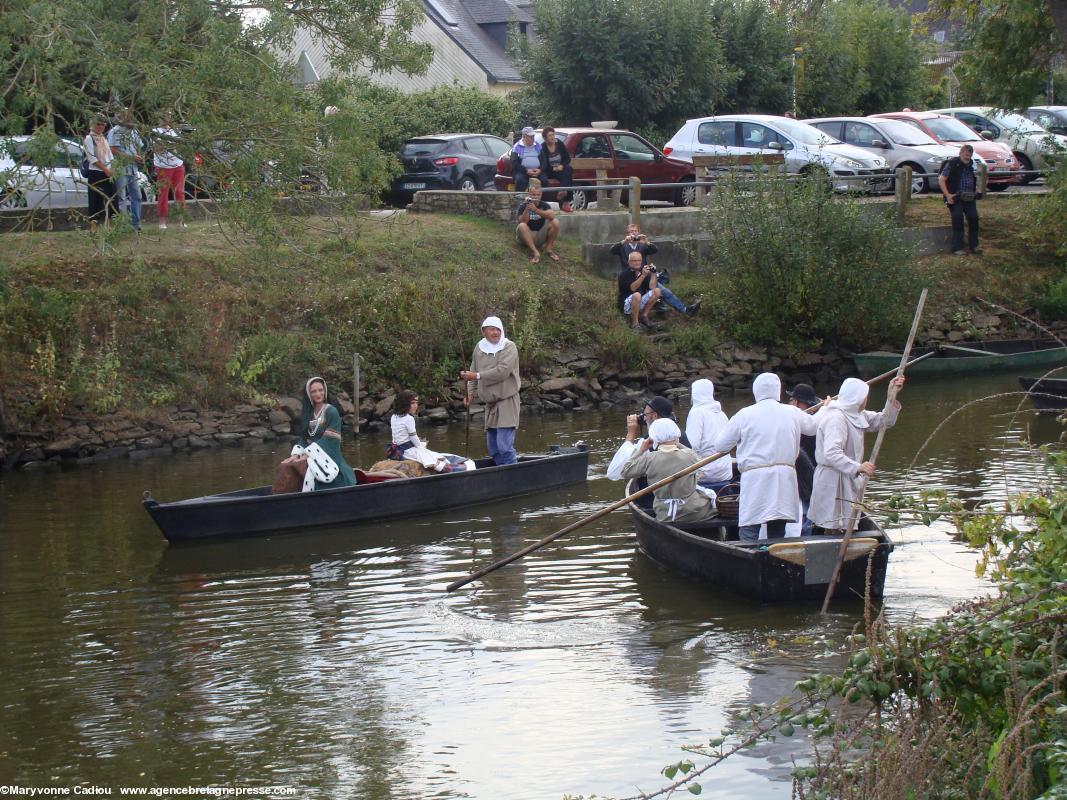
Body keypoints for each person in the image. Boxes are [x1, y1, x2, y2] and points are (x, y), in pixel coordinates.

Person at [713, 373, 818, 542]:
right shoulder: (792, 412)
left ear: (756, 391)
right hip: (784, 479)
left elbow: (721, 445)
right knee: (777, 526)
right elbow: (813, 427)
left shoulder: (744, 414)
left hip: (756, 479)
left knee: (750, 527)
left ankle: (750, 557)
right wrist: (826, 407)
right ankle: (774, 556)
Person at [809, 376, 905, 533]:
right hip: (833, 479)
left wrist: (891, 397)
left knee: (845, 523)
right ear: (857, 398)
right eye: (865, 397)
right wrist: (858, 467)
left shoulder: (857, 414)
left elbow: (885, 421)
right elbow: (832, 453)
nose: (866, 400)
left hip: (848, 476)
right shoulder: (836, 417)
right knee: (832, 523)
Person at [617, 418, 716, 524]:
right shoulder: (689, 455)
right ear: (676, 435)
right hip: (694, 512)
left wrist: (641, 450)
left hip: (665, 515)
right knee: (713, 502)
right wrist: (678, 444)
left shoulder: (649, 458)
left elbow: (625, 471)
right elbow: (702, 466)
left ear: (654, 438)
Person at [460, 316, 521, 466]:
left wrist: (477, 375)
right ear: (484, 332)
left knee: (504, 447)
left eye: (497, 329)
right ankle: (502, 474)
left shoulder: (509, 346)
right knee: (493, 449)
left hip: (507, 400)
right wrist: (470, 394)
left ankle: (513, 474)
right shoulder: (479, 348)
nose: (495, 332)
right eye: (491, 329)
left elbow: (502, 371)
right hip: (490, 404)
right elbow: (472, 372)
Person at [278, 377, 357, 491]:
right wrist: (295, 455)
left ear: (325, 391)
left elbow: (330, 440)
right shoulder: (308, 413)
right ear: (309, 394)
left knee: (308, 472)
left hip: (327, 457)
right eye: (314, 391)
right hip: (311, 455)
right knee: (286, 466)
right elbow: (305, 439)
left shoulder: (331, 412)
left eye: (320, 390)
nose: (318, 394)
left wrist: (307, 455)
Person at [606, 395, 691, 479]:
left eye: (645, 415)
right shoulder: (681, 433)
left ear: (654, 416)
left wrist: (630, 434)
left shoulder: (649, 440)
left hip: (657, 491)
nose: (644, 419)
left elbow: (613, 472)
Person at [388, 390, 473, 472]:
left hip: (397, 451)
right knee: (435, 460)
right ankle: (460, 468)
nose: (416, 406)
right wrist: (422, 447)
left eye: (416, 402)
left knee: (428, 451)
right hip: (408, 452)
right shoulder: (409, 418)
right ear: (404, 404)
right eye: (412, 403)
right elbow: (414, 439)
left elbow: (398, 438)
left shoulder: (394, 416)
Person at [617, 250, 700, 330]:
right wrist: (643, 276)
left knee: (657, 290)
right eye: (634, 261)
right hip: (626, 305)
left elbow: (652, 287)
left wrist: (653, 274)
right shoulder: (624, 274)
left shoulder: (642, 271)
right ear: (629, 262)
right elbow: (633, 288)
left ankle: (644, 316)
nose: (637, 262)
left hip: (639, 302)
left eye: (639, 260)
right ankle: (635, 323)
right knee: (637, 294)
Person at [685, 379, 732, 493]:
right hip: (725, 471)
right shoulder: (721, 414)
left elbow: (693, 446)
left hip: (706, 472)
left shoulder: (696, 413)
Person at [787, 383, 820, 536]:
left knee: (806, 512)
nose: (790, 402)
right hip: (808, 472)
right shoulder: (812, 417)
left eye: (792, 400)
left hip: (807, 474)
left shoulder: (808, 422)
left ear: (800, 403)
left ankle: (806, 537)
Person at [939, 144, 981, 256]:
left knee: (974, 218)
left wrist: (977, 191)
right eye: (966, 154)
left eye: (970, 155)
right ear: (961, 153)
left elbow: (974, 180)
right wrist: (947, 195)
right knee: (957, 219)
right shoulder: (952, 164)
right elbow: (942, 180)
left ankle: (975, 245)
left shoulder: (972, 165)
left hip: (969, 197)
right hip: (955, 197)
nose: (968, 157)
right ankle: (957, 247)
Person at [106, 109, 144, 232]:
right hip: (121, 168)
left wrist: (139, 157)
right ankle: (122, 225)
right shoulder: (115, 131)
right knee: (122, 197)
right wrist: (131, 157)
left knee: (137, 196)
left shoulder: (134, 131)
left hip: (133, 168)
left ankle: (136, 224)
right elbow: (113, 150)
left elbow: (139, 146)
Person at [153, 115, 187, 230]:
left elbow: (181, 146)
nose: (168, 118)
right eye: (165, 116)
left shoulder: (175, 131)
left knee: (180, 193)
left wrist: (170, 145)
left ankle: (181, 221)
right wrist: (171, 145)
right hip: (163, 167)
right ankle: (162, 222)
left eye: (170, 116)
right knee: (163, 193)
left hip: (178, 165)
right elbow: (158, 148)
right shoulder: (155, 131)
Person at [82, 115, 116, 230]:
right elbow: (92, 159)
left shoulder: (103, 138)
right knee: (94, 199)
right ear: (93, 125)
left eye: (103, 125)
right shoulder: (89, 138)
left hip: (108, 171)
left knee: (110, 198)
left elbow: (110, 156)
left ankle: (109, 225)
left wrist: (112, 168)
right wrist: (106, 169)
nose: (101, 127)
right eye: (98, 124)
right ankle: (93, 226)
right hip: (96, 172)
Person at [515, 179, 560, 263]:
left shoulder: (544, 205)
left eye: (538, 195)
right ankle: (535, 252)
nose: (536, 197)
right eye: (533, 194)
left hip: (539, 234)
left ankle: (548, 249)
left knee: (555, 222)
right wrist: (527, 208)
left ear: (541, 195)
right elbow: (522, 222)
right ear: (529, 194)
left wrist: (536, 210)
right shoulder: (523, 205)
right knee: (522, 226)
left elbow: (552, 215)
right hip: (527, 236)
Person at [538, 125, 573, 212]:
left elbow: (567, 158)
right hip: (548, 171)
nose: (552, 137)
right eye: (550, 135)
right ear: (545, 138)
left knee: (568, 169)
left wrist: (562, 165)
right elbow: (543, 164)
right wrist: (553, 168)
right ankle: (565, 202)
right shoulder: (542, 147)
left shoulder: (559, 143)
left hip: (559, 169)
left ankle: (563, 191)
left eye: (553, 135)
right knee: (567, 179)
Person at [510, 126, 543, 193]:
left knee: (544, 180)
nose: (532, 138)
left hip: (537, 171)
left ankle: (541, 200)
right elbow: (514, 164)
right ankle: (519, 200)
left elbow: (544, 160)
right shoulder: (517, 147)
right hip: (522, 172)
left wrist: (540, 169)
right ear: (524, 136)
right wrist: (526, 170)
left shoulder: (538, 145)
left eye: (533, 136)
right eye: (530, 136)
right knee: (521, 181)